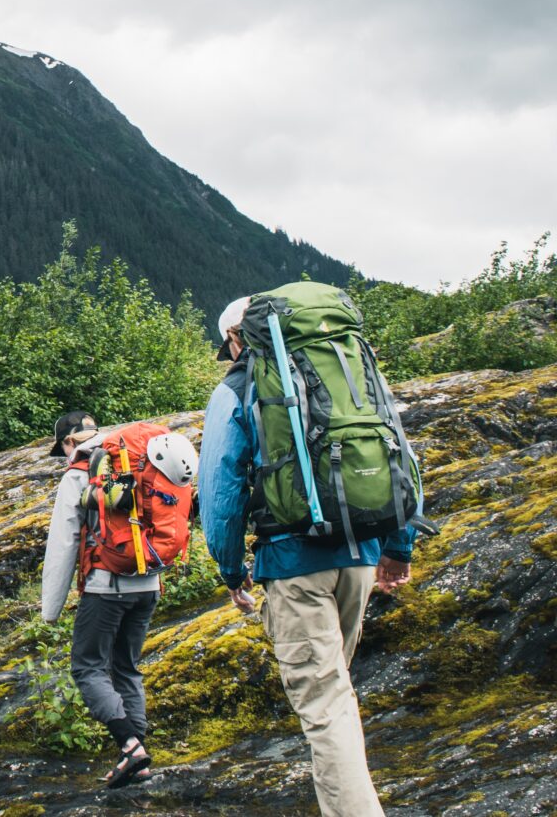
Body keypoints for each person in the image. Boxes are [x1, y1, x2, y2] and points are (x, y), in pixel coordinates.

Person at [199, 296, 414, 817]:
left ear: (237, 338)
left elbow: (221, 492)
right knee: (336, 687)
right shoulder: (349, 370)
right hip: (361, 552)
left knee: (325, 705)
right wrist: (397, 546)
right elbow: (398, 452)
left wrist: (232, 571)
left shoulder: (237, 388)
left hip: (293, 562)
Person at [40, 410, 159, 789]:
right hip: (149, 582)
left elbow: (63, 545)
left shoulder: (79, 474)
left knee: (88, 668)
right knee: (126, 667)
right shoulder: (136, 460)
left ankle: (130, 746)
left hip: (107, 586)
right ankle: (137, 756)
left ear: (68, 443)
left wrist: (50, 611)